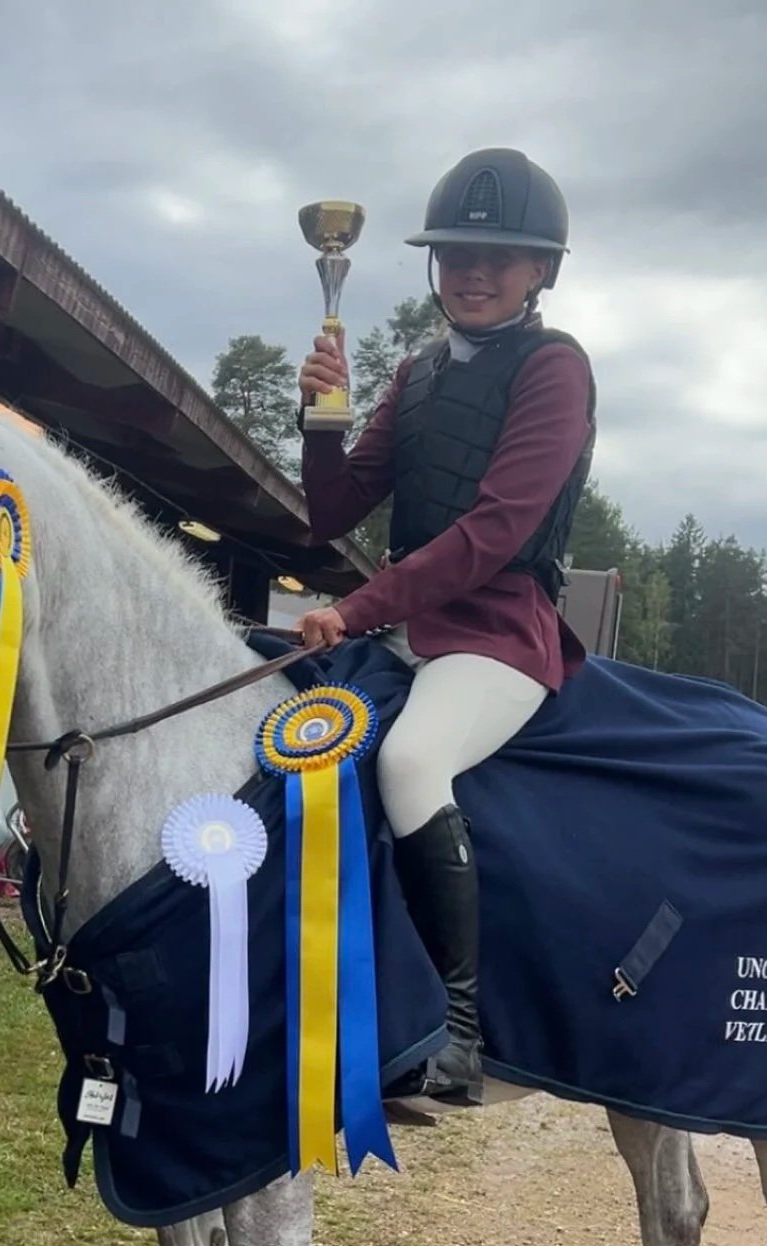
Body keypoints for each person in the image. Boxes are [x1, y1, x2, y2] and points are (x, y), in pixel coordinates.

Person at [295, 147, 595, 1103]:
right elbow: (333, 508)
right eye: (457, 251)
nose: (472, 271)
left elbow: (496, 532)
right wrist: (319, 419)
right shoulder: (418, 372)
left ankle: (458, 1032)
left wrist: (355, 608)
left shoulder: (556, 371)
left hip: (498, 633)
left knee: (409, 761)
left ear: (542, 269)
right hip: (406, 630)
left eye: (499, 256)